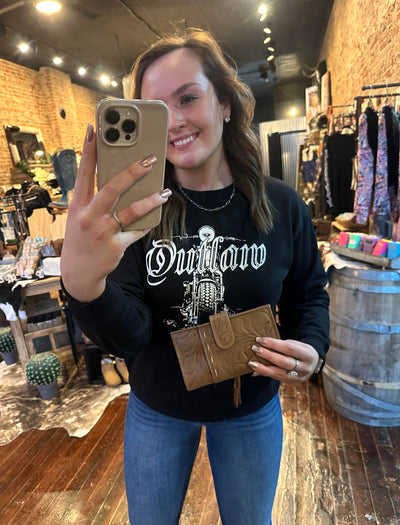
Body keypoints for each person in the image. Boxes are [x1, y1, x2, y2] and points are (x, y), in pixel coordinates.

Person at [61, 28, 329, 525]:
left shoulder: (280, 205)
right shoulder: (136, 216)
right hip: (158, 409)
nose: (175, 123)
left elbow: (309, 291)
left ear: (224, 102)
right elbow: (131, 335)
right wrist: (85, 288)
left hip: (250, 406)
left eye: (187, 98)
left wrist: (312, 347)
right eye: (156, 111)